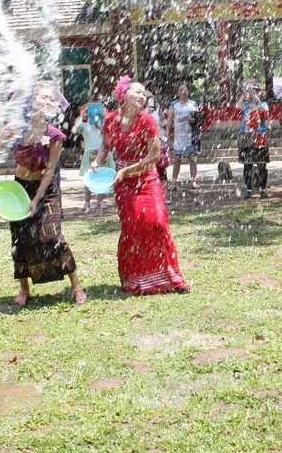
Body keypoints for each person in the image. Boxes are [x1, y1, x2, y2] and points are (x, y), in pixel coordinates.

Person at [96, 78, 189, 295]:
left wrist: (126, 171)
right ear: (123, 95)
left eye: (143, 93)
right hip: (123, 183)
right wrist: (97, 161)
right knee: (132, 228)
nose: (141, 96)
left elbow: (154, 156)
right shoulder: (110, 120)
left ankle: (171, 277)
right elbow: (105, 146)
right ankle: (135, 279)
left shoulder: (147, 120)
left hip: (146, 178)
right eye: (136, 92)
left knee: (157, 222)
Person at [8, 88, 83, 307]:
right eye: (44, 97)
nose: (49, 100)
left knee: (53, 235)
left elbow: (50, 171)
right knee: (21, 239)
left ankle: (76, 285)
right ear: (32, 102)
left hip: (46, 189)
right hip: (19, 188)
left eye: (51, 98)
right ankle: (24, 289)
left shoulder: (54, 135)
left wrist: (37, 198)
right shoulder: (17, 130)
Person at [74, 98, 108, 213]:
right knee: (87, 178)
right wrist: (83, 116)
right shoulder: (84, 122)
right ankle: (87, 202)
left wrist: (101, 125)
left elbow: (110, 134)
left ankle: (100, 201)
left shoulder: (104, 121)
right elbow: (76, 130)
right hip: (89, 152)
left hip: (103, 152)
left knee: (103, 177)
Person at [237, 80, 270, 197]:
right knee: (247, 164)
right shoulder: (245, 105)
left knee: (262, 164)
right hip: (246, 136)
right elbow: (237, 107)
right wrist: (243, 94)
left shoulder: (263, 104)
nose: (251, 93)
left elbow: (265, 114)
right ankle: (248, 189)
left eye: (254, 90)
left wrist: (257, 100)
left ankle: (262, 189)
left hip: (260, 135)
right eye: (250, 91)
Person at [166, 83, 201, 190]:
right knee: (177, 160)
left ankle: (193, 180)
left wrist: (194, 120)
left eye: (185, 90)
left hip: (191, 135)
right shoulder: (173, 105)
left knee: (192, 159)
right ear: (177, 93)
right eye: (181, 90)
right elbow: (169, 119)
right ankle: (174, 182)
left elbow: (198, 118)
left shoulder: (193, 104)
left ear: (188, 92)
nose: (183, 92)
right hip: (179, 136)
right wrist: (167, 132)